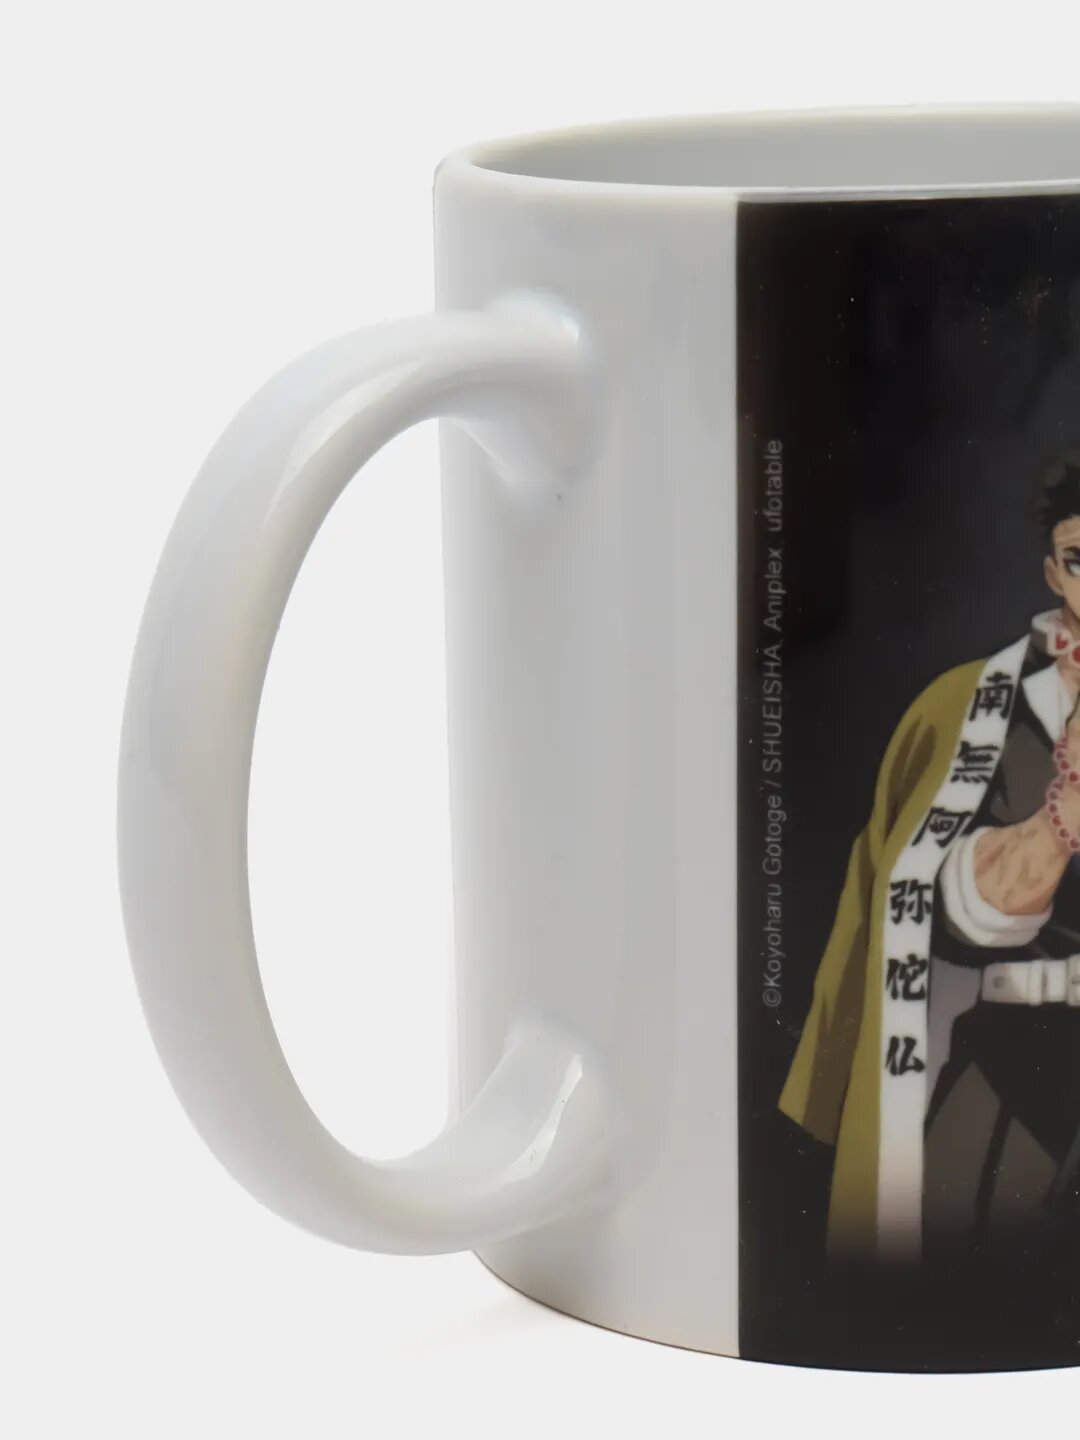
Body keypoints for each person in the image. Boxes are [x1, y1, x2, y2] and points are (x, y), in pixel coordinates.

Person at [781, 455, 1080, 1263]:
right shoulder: (971, 709)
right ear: (1053, 571)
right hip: (1014, 1078)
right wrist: (1062, 819)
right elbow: (926, 905)